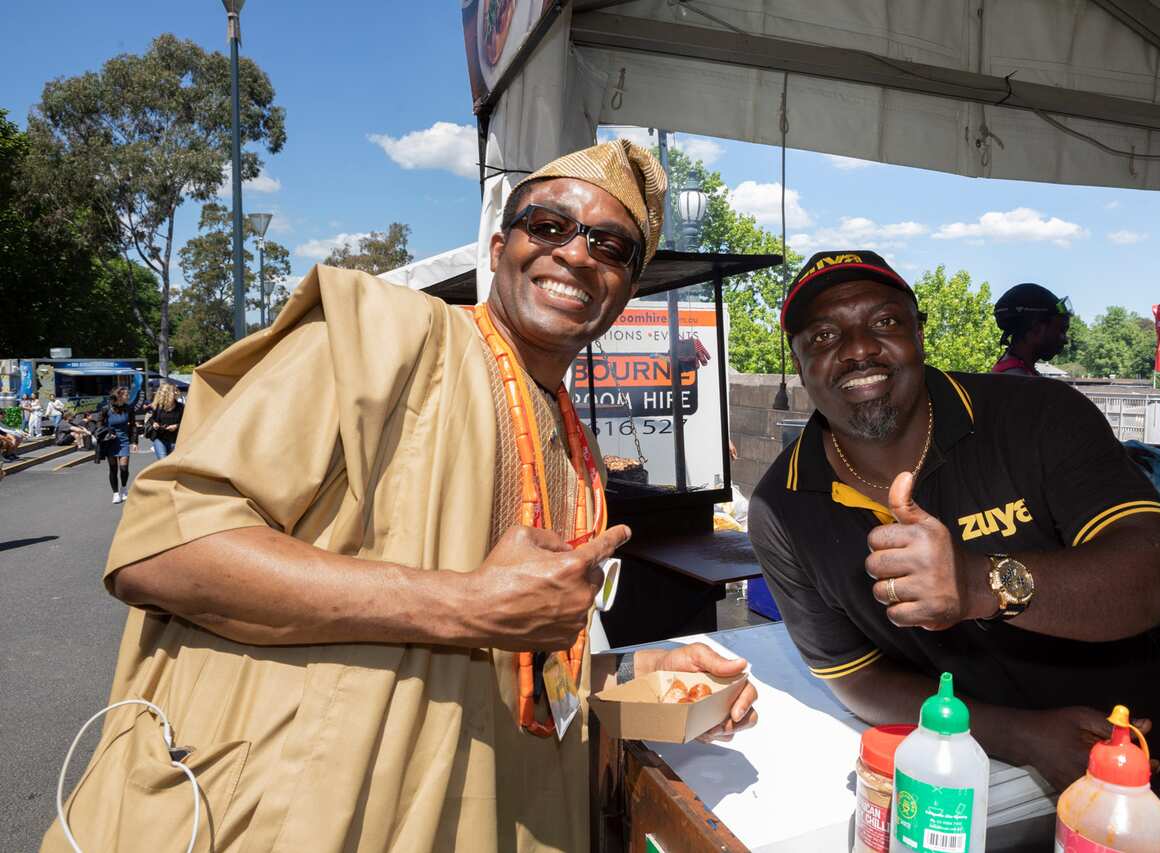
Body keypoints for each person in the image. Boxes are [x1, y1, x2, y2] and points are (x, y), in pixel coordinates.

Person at [45, 140, 758, 853]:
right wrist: (466, 603)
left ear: (625, 291)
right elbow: (162, 550)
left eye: (610, 246)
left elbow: (523, 660)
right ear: (498, 244)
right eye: (549, 226)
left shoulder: (580, 453)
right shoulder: (382, 337)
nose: (576, 254)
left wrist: (628, 672)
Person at [750, 250, 1160, 793]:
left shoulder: (1038, 416)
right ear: (798, 364)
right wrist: (1022, 736)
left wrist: (979, 583)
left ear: (919, 333)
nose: (860, 348)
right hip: (951, 784)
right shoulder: (781, 506)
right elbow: (855, 675)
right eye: (823, 337)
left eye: (885, 322)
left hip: (1123, 769)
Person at [991, 282, 1073, 376]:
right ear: (1036, 328)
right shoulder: (1019, 381)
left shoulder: (1014, 372)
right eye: (1061, 330)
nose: (1065, 340)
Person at [96, 386, 137, 504]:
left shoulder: (129, 408)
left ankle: (124, 489)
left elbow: (133, 426)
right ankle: (115, 493)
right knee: (113, 468)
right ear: (119, 396)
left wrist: (134, 441)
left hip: (124, 440)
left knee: (124, 468)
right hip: (110, 441)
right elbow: (99, 423)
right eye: (126, 394)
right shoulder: (106, 409)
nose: (128, 396)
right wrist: (107, 433)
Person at [144, 381, 184, 459]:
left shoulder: (180, 407)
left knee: (172, 464)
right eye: (174, 391)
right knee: (163, 461)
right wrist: (154, 423)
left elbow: (186, 422)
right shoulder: (158, 407)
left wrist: (177, 426)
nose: (176, 393)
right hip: (160, 439)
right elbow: (152, 419)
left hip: (175, 440)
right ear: (168, 394)